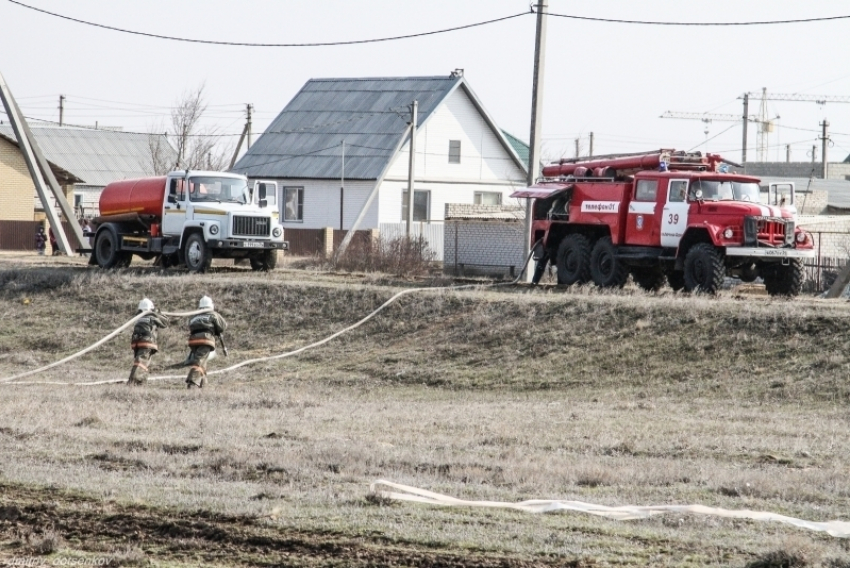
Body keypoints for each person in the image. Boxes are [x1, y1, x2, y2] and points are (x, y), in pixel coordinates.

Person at [185, 295, 227, 388]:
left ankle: (203, 386)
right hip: (205, 339)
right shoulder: (212, 314)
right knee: (199, 361)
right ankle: (192, 381)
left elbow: (190, 326)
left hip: (193, 341)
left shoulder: (194, 316)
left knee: (202, 361)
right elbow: (223, 326)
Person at [128, 298, 168, 385]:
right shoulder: (152, 316)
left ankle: (141, 382)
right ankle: (133, 381)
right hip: (146, 341)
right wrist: (158, 313)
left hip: (136, 342)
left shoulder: (138, 317)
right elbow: (165, 323)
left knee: (143, 362)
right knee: (141, 362)